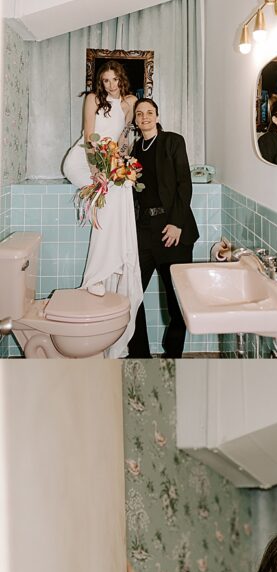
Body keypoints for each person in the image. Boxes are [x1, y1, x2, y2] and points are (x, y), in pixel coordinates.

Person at [61, 58, 142, 356]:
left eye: (113, 80)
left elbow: (124, 138)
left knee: (119, 196)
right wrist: (97, 168)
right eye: (105, 80)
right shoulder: (93, 99)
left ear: (121, 78)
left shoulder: (130, 102)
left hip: (109, 161)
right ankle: (99, 274)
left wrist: (121, 162)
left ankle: (112, 266)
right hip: (85, 158)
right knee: (113, 196)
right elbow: (89, 135)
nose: (109, 85)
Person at [126, 99, 199, 357]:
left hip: (174, 231)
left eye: (149, 112)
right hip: (144, 231)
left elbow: (184, 184)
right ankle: (140, 356)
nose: (144, 117)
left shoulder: (172, 141)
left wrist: (177, 223)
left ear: (157, 116)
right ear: (135, 120)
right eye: (139, 113)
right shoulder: (133, 150)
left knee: (177, 302)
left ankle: (172, 355)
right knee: (131, 296)